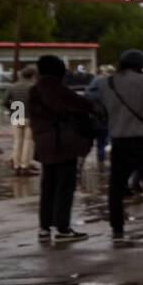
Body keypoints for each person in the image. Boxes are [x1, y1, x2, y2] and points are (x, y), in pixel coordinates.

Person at [95, 48, 143, 240]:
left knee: (116, 186)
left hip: (119, 138)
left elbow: (96, 105)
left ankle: (117, 227)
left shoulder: (106, 83)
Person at [28, 55, 95, 242]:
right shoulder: (59, 90)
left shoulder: (33, 90)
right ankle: (63, 227)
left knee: (47, 185)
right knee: (65, 186)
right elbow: (86, 106)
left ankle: (44, 227)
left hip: (43, 143)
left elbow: (15, 106)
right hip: (64, 143)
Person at [5, 65, 38, 175]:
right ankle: (25, 166)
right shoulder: (34, 87)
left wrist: (12, 109)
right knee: (28, 142)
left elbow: (5, 102)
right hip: (30, 117)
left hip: (16, 115)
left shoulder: (12, 87)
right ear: (33, 76)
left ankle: (16, 165)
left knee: (17, 141)